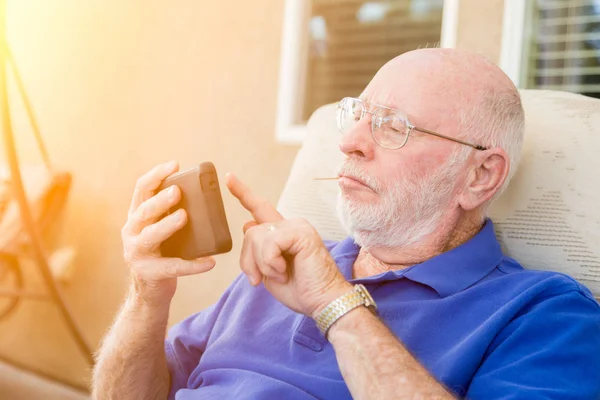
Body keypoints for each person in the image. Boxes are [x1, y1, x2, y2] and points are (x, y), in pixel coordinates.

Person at [91, 48, 600, 399]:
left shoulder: (546, 317)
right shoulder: (284, 262)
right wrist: (146, 295)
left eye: (393, 126)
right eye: (357, 115)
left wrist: (335, 304)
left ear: (480, 176)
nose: (350, 142)